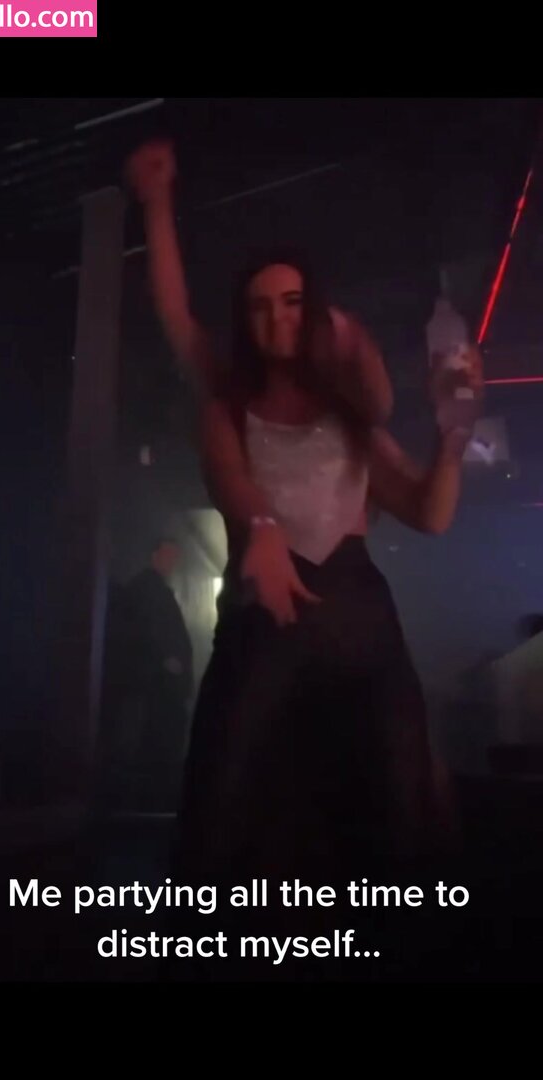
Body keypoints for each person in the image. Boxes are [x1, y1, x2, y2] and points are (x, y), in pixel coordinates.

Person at [128, 142, 483, 977]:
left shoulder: (349, 415)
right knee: (228, 801)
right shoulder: (230, 396)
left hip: (357, 616)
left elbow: (431, 515)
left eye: (291, 302)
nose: (277, 319)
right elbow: (176, 315)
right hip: (266, 617)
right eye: (260, 306)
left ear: (313, 311)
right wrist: (156, 203)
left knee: (394, 809)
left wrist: (453, 436)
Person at [98, 538, 193, 810]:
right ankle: (148, 803)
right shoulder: (146, 589)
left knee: (161, 745)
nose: (172, 562)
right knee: (154, 746)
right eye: (168, 555)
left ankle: (154, 801)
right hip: (156, 689)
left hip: (163, 689)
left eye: (175, 557)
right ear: (154, 556)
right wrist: (164, 659)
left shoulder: (155, 589)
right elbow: (142, 632)